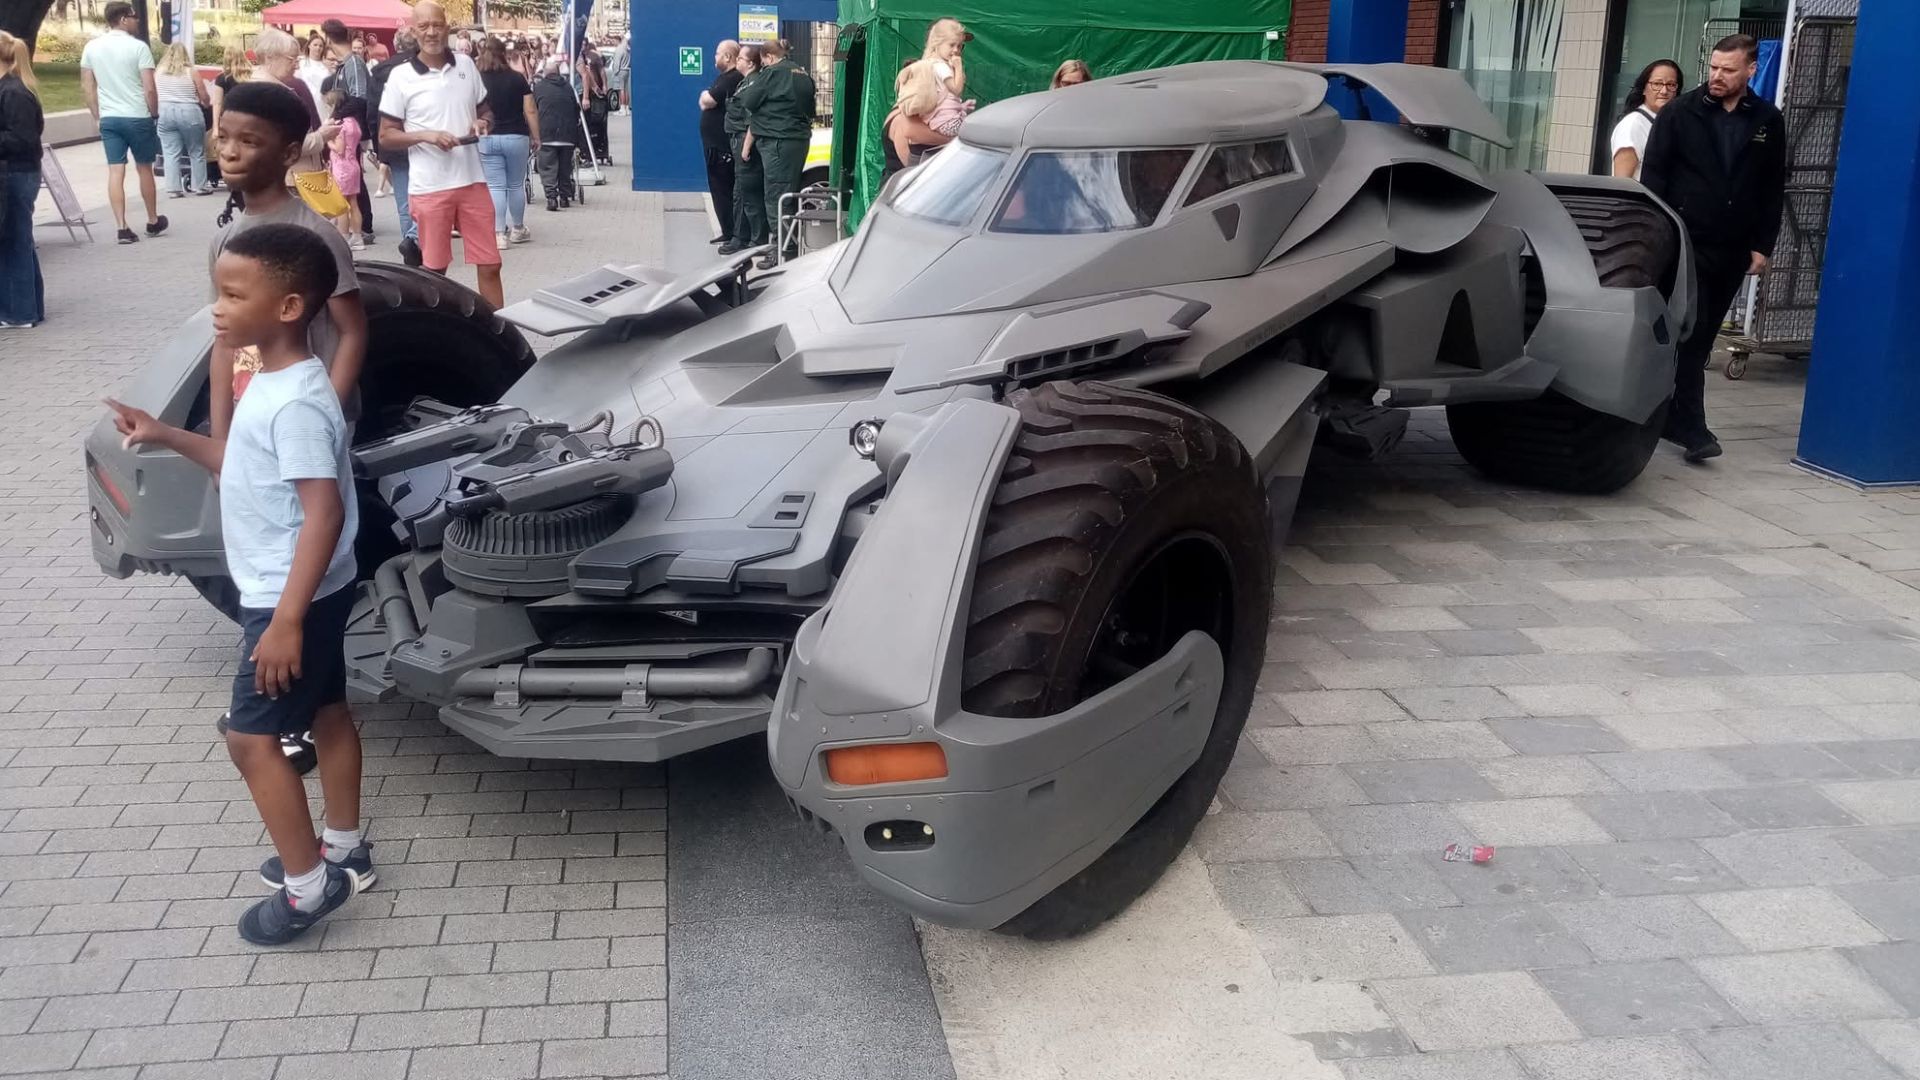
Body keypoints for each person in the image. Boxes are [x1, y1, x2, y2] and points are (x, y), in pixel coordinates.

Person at [107, 222, 371, 946]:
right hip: (306, 590)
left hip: (290, 596)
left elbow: (324, 509)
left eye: (231, 294)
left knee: (249, 739)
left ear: (288, 308)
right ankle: (344, 849)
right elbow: (235, 455)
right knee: (327, 711)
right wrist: (164, 434)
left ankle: (308, 889)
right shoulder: (274, 378)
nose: (217, 309)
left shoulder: (296, 403)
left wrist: (284, 621)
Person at [1641, 34, 1786, 464]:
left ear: (1750, 70)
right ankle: (1693, 429)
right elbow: (1654, 181)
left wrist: (1763, 244)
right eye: (1713, 68)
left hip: (1734, 246)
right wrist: (1660, 239)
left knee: (1701, 338)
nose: (1717, 76)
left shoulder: (1766, 120)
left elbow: (1771, 187)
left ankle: (1670, 417)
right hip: (1686, 243)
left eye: (1728, 69)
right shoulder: (1680, 113)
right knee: (1693, 331)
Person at [206, 81, 366, 449]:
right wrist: (220, 439)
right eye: (224, 138)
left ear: (289, 153)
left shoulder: (317, 235)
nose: (229, 153)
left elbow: (352, 332)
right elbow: (224, 343)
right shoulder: (224, 241)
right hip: (254, 416)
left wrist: (327, 413)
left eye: (248, 141)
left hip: (308, 419)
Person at [380, 1, 503, 308]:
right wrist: (426, 136)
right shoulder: (400, 76)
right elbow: (386, 136)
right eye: (424, 26)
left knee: (491, 264)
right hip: (430, 186)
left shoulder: (465, 64)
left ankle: (503, 335)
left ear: (447, 27)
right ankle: (435, 335)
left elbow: (485, 109)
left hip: (472, 180)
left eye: (437, 25)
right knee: (435, 271)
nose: (432, 32)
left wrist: (482, 122)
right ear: (413, 31)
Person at [80, 2, 166, 244]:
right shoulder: (138, 48)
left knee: (115, 170)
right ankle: (152, 219)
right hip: (137, 115)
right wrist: (154, 113)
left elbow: (88, 87)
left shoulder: (91, 48)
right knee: (144, 168)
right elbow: (149, 88)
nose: (138, 20)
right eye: (134, 16)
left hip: (109, 117)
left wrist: (97, 116)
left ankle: (122, 226)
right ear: (122, 19)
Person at [735, 38, 814, 268]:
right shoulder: (802, 74)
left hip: (778, 143)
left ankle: (782, 251)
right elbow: (810, 108)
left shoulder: (772, 73)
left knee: (776, 198)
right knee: (789, 194)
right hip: (798, 141)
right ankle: (789, 246)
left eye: (763, 61)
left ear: (769, 57)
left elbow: (748, 101)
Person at [0, 30, 45, 329]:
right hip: (16, 170)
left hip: (16, 171)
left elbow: (24, 138)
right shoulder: (12, 89)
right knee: (20, 240)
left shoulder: (13, 92)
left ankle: (19, 312)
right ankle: (29, 306)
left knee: (14, 240)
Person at [476, 36, 537, 247]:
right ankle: (518, 229)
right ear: (504, 54)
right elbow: (529, 109)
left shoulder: (477, 79)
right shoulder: (517, 78)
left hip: (487, 136)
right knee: (515, 185)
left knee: (495, 186)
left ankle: (499, 234)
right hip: (516, 136)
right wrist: (536, 136)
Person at [322, 18, 376, 246]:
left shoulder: (353, 64)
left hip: (351, 128)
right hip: (348, 126)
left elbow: (359, 97)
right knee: (353, 181)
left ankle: (362, 227)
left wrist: (336, 116)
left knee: (351, 183)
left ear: (328, 39)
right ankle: (359, 227)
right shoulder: (346, 65)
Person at [369, 29, 421, 265]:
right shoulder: (425, 67)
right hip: (423, 137)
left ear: (395, 44)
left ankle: (409, 242)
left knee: (403, 197)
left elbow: (372, 111)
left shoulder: (380, 71)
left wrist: (377, 145)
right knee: (428, 192)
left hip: (392, 138)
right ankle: (417, 238)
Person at [717, 44, 764, 256]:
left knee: (746, 194)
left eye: (741, 59)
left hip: (743, 144)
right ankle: (742, 237)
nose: (738, 62)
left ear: (751, 63)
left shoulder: (753, 84)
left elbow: (752, 120)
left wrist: (745, 148)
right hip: (737, 142)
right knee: (740, 193)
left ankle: (751, 239)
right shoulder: (745, 83)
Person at [153, 42, 212, 199]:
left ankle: (174, 188)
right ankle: (200, 186)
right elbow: (203, 94)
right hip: (189, 111)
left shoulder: (159, 72)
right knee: (196, 150)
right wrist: (206, 103)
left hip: (165, 111)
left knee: (170, 152)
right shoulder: (191, 71)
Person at [698, 39, 742, 245]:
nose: (714, 57)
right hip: (714, 146)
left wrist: (705, 95)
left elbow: (707, 101)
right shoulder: (721, 79)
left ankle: (732, 233)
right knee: (718, 190)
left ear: (728, 56)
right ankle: (726, 231)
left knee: (724, 189)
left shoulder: (731, 79)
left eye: (717, 53)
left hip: (722, 148)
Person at [1609, 58, 1681, 181]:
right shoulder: (1633, 125)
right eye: (1657, 84)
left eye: (1671, 85)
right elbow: (1621, 183)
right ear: (1643, 88)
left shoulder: (1670, 123)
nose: (1664, 91)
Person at [881, 60, 952, 181]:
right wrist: (953, 139)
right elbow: (910, 167)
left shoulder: (914, 115)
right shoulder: (901, 119)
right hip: (901, 192)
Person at [531, 54, 580, 211]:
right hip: (567, 135)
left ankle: (552, 198)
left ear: (545, 73)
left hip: (546, 134)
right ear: (558, 73)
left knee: (547, 166)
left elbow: (533, 111)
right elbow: (576, 109)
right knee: (565, 166)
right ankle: (565, 197)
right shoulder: (568, 87)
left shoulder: (538, 88)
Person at [323, 84, 365, 249]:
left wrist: (326, 140)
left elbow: (339, 149)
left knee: (341, 205)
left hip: (341, 167)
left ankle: (344, 237)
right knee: (353, 203)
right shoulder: (353, 122)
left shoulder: (339, 125)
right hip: (353, 163)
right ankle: (357, 236)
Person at [577, 44, 611, 165]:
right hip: (586, 94)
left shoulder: (591, 57)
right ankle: (586, 153)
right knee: (585, 125)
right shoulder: (578, 56)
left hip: (587, 95)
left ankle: (590, 153)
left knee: (590, 124)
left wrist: (601, 88)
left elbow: (590, 74)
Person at [211, 45, 251, 141]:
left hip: (230, 118)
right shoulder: (251, 76)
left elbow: (217, 103)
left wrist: (215, 128)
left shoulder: (222, 78)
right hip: (250, 118)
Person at [924, 18, 969, 98]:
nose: (956, 50)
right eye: (951, 45)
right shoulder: (941, 66)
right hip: (944, 109)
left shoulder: (930, 63)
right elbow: (957, 91)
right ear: (937, 43)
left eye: (959, 46)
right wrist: (958, 67)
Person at [297, 34, 334, 104]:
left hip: (322, 102)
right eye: (315, 45)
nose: (318, 48)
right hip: (304, 101)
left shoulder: (326, 66)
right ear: (309, 45)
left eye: (321, 46)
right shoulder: (301, 63)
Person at [608, 33, 630, 113]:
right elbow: (625, 40)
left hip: (620, 71)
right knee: (626, 89)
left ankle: (622, 108)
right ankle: (627, 108)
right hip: (627, 70)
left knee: (621, 89)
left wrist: (615, 72)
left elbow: (617, 63)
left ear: (618, 40)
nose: (613, 42)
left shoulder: (618, 50)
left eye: (614, 40)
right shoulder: (626, 49)